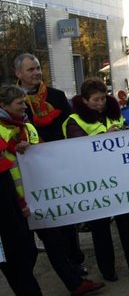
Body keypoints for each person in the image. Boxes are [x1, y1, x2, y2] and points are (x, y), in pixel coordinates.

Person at [63, 78, 129, 282]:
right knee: (100, 228)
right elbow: (78, 150)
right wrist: (104, 137)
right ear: (84, 100)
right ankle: (107, 270)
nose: (101, 103)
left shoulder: (112, 115)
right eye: (96, 100)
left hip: (120, 176)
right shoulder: (74, 120)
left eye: (103, 99)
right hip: (95, 181)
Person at [14, 54, 93, 285]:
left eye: (38, 68)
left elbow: (69, 126)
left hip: (57, 165)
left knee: (65, 213)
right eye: (30, 70)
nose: (36, 73)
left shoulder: (56, 96)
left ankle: (74, 260)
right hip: (27, 170)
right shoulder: (12, 99)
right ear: (18, 73)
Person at [0, 85, 43, 295]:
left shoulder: (24, 124)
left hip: (20, 197)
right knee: (16, 259)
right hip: (11, 202)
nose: (24, 107)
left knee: (26, 252)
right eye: (19, 103)